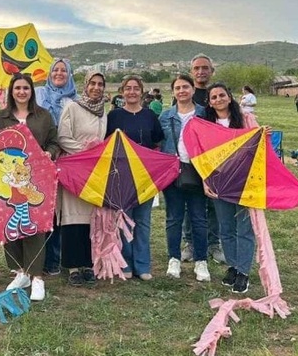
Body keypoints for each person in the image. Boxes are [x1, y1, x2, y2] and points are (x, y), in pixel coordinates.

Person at [0, 73, 61, 301]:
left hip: (36, 179)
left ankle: (37, 277)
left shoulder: (43, 116)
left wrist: (48, 154)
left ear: (32, 91)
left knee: (34, 226)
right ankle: (20, 272)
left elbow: (54, 142)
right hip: (9, 181)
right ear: (11, 91)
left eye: (26, 88)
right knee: (10, 225)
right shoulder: (1, 117)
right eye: (17, 88)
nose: (21, 92)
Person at [201, 83, 259, 294]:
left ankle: (244, 271)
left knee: (244, 228)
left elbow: (257, 146)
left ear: (229, 96)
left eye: (221, 95)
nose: (218, 99)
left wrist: (265, 134)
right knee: (226, 227)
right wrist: (205, 181)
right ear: (209, 101)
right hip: (218, 181)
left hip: (243, 181)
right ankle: (233, 266)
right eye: (213, 97)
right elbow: (203, 156)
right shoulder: (206, 124)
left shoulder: (245, 119)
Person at [105, 75, 164, 280]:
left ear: (141, 91)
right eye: (128, 88)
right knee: (125, 221)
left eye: (135, 88)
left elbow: (158, 144)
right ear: (122, 91)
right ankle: (126, 264)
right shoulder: (114, 117)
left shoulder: (149, 116)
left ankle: (143, 265)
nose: (132, 92)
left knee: (143, 222)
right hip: (121, 177)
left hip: (145, 177)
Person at [57, 72, 108, 287]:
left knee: (90, 219)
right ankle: (72, 267)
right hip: (74, 168)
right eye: (92, 83)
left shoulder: (103, 112)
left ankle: (88, 264)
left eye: (100, 84)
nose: (96, 87)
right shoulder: (72, 107)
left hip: (94, 170)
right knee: (72, 218)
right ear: (85, 85)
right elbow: (62, 137)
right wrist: (85, 151)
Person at [159, 74, 210, 282]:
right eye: (178, 88)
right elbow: (160, 144)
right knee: (174, 218)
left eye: (185, 87)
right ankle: (174, 258)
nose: (182, 91)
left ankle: (201, 261)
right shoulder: (165, 116)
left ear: (192, 90)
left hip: (198, 172)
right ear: (173, 92)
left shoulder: (204, 114)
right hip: (173, 172)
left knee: (199, 217)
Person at [34, 57, 76, 276]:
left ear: (70, 75)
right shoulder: (39, 94)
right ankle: (40, 258)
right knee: (42, 209)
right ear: (49, 73)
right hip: (42, 158)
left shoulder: (75, 100)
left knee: (63, 211)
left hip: (67, 160)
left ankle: (57, 258)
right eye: (56, 70)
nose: (59, 73)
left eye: (64, 70)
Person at [183, 53, 222, 264]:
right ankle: (189, 243)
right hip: (191, 159)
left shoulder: (218, 93)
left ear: (211, 71)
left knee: (214, 204)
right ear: (192, 72)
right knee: (191, 204)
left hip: (215, 159)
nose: (201, 71)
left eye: (205, 68)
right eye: (197, 68)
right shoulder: (186, 93)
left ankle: (214, 244)